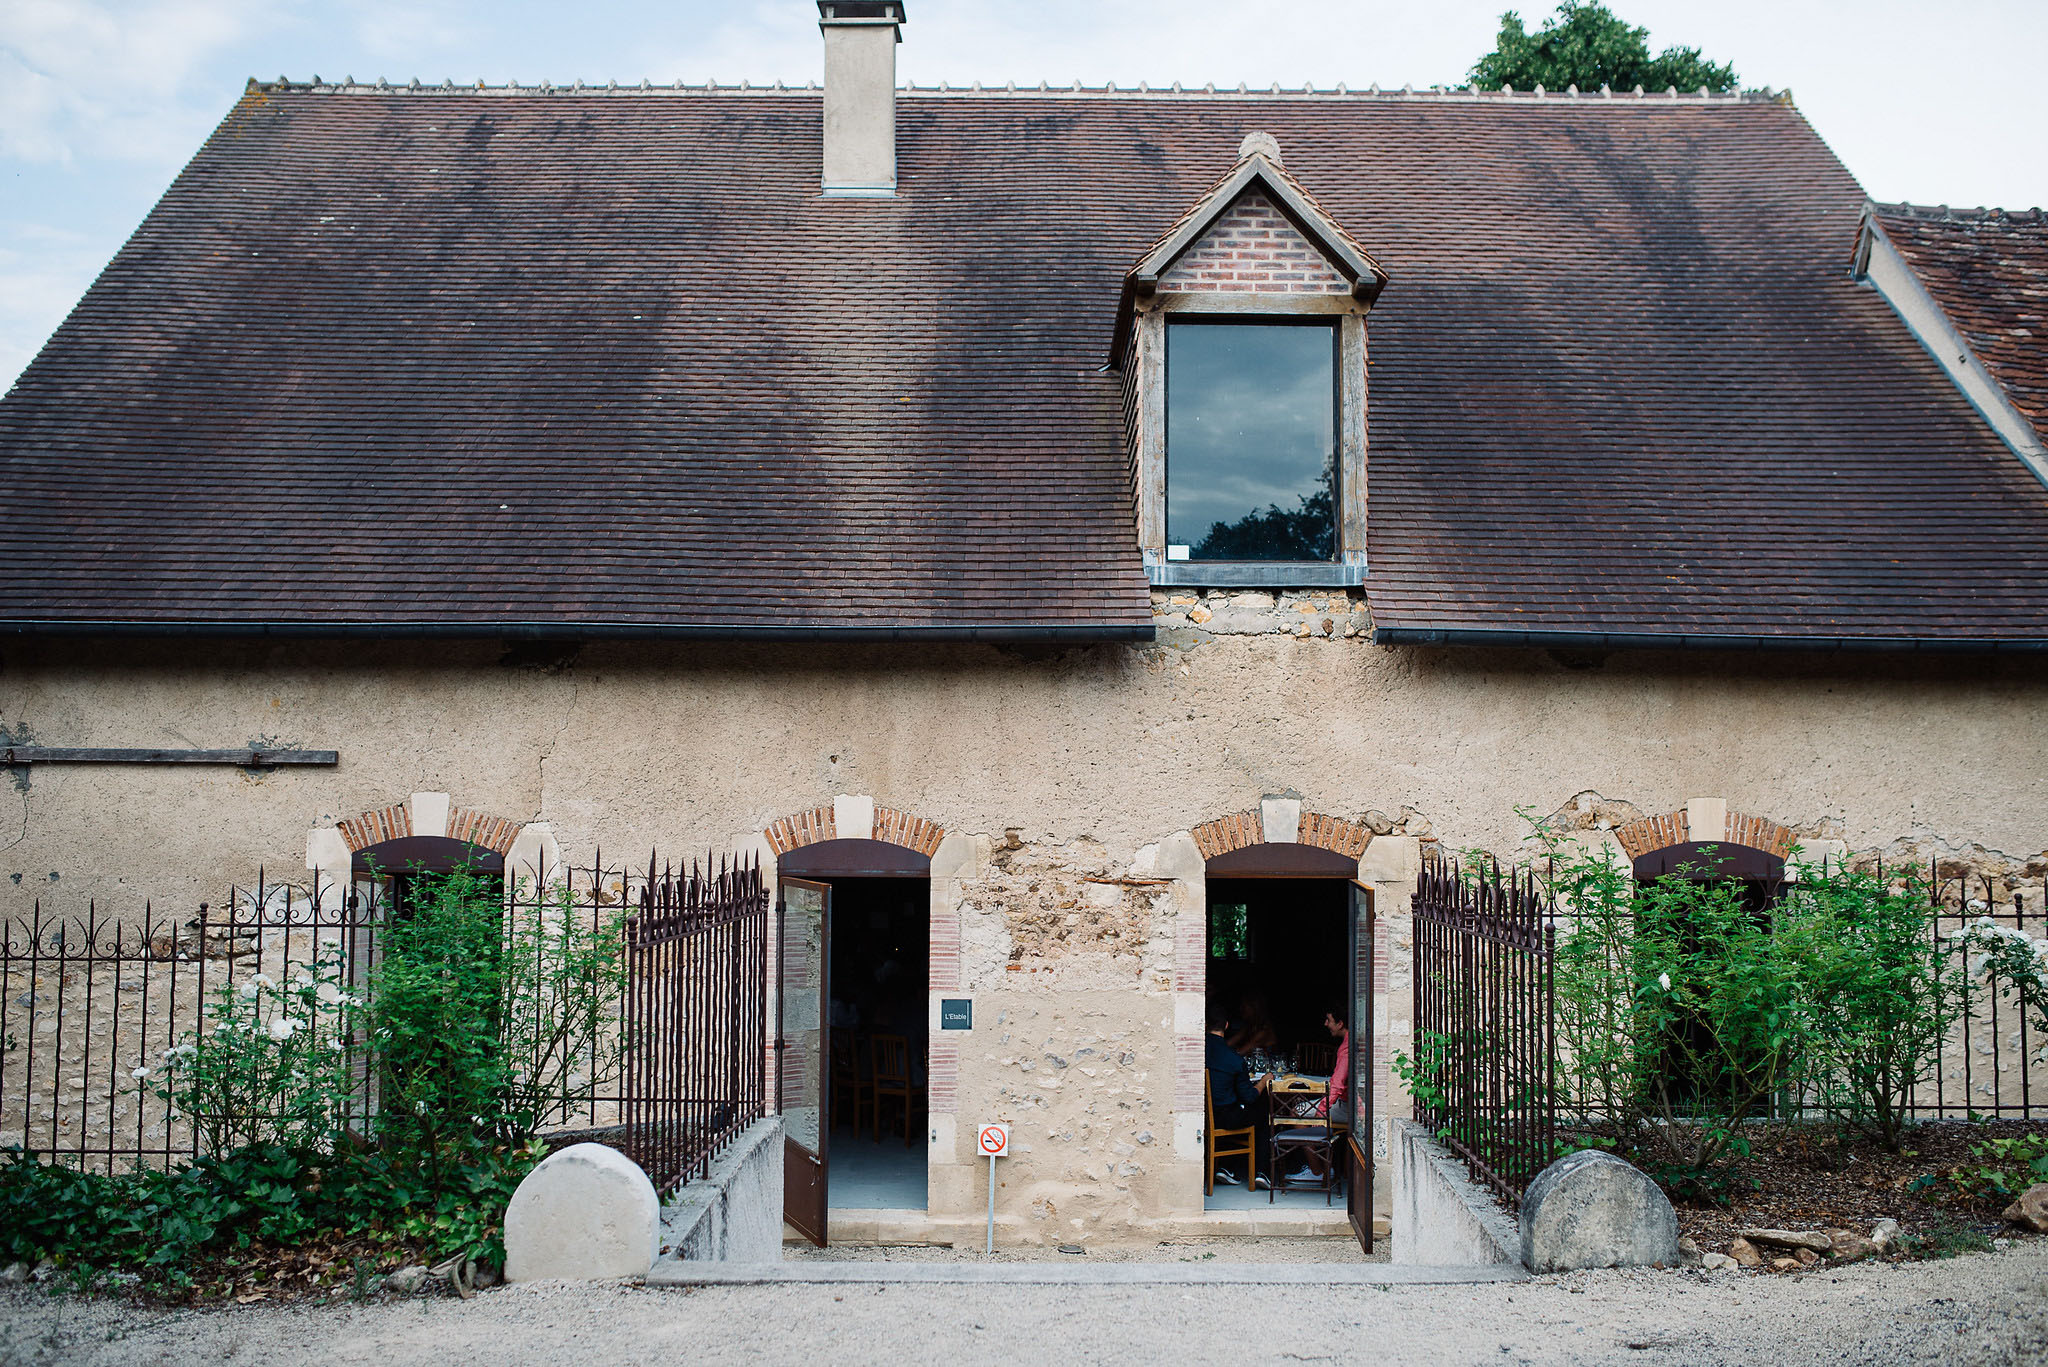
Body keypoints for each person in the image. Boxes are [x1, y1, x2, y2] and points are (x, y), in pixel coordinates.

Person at [1205, 1006, 1271, 1188]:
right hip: (1226, 1117)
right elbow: (1249, 1096)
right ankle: (1262, 1172)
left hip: (1205, 1116)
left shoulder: (1197, 1052)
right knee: (1262, 1112)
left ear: (1204, 1025)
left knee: (1238, 1108)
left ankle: (1227, 1167)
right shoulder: (1233, 1058)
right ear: (1226, 1026)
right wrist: (1263, 1082)